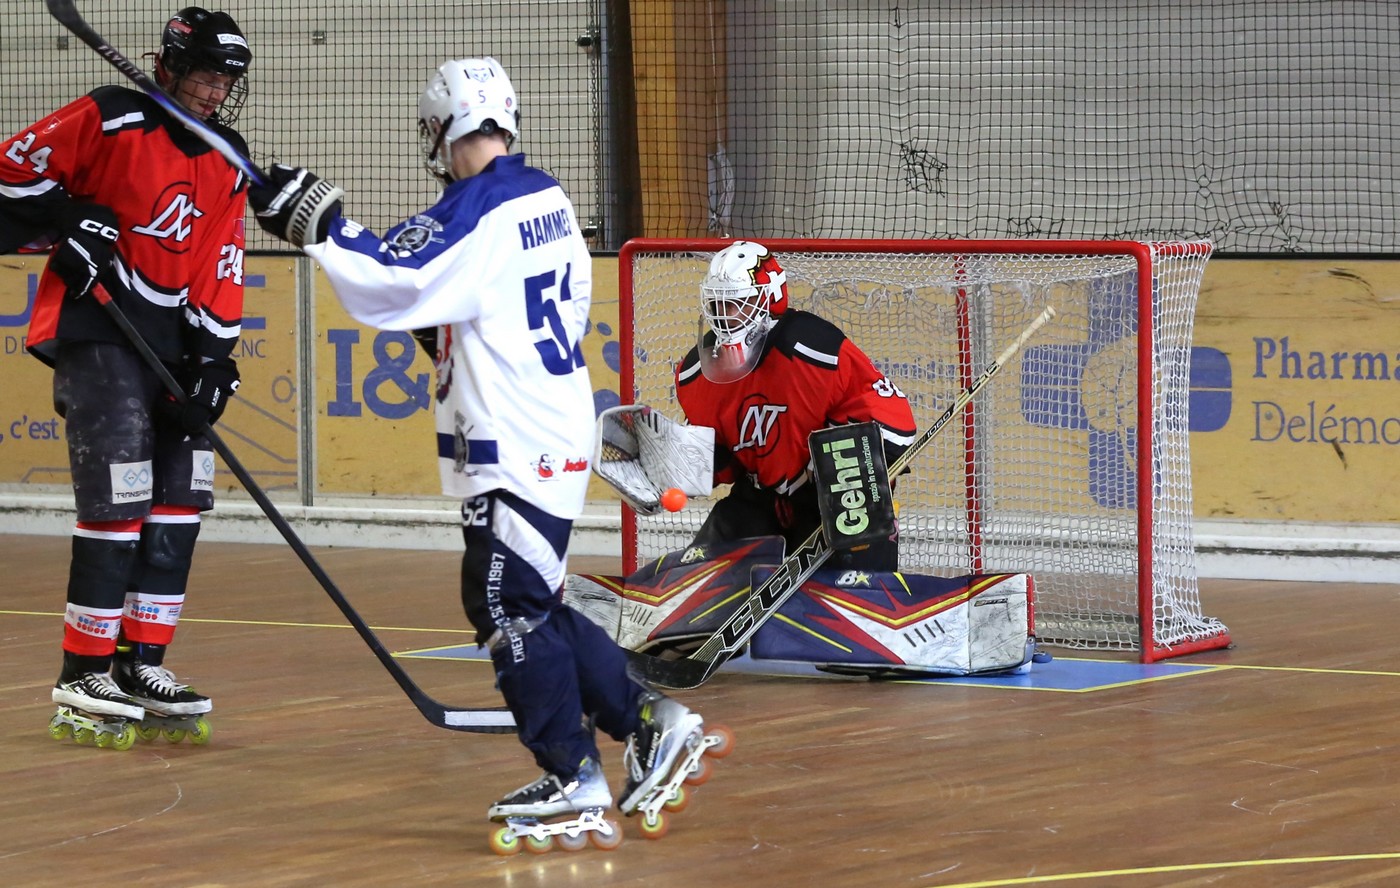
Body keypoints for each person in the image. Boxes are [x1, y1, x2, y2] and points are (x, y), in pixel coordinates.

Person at [246, 57, 715, 842]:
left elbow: (396, 278)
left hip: (516, 438)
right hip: (552, 425)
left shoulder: (478, 206)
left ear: (441, 129)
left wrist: (322, 227)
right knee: (538, 602)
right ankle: (648, 721)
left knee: (504, 605)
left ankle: (571, 775)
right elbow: (485, 302)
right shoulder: (548, 197)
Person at [0, 7, 252, 744]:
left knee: (180, 498)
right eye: (205, 75)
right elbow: (11, 170)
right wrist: (71, 216)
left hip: (175, 342)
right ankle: (84, 671)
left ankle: (142, 662)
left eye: (226, 80)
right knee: (119, 496)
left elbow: (222, 259)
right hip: (100, 326)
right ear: (168, 66)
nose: (214, 91)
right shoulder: (113, 117)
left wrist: (215, 360)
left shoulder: (228, 154)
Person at [675, 240, 919, 570]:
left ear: (770, 298)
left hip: (834, 496)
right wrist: (674, 469)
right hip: (760, 499)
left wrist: (846, 459)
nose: (723, 315)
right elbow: (721, 462)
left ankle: (861, 585)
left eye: (734, 303)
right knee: (705, 572)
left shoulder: (814, 347)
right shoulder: (696, 372)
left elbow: (894, 424)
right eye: (716, 303)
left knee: (854, 572)